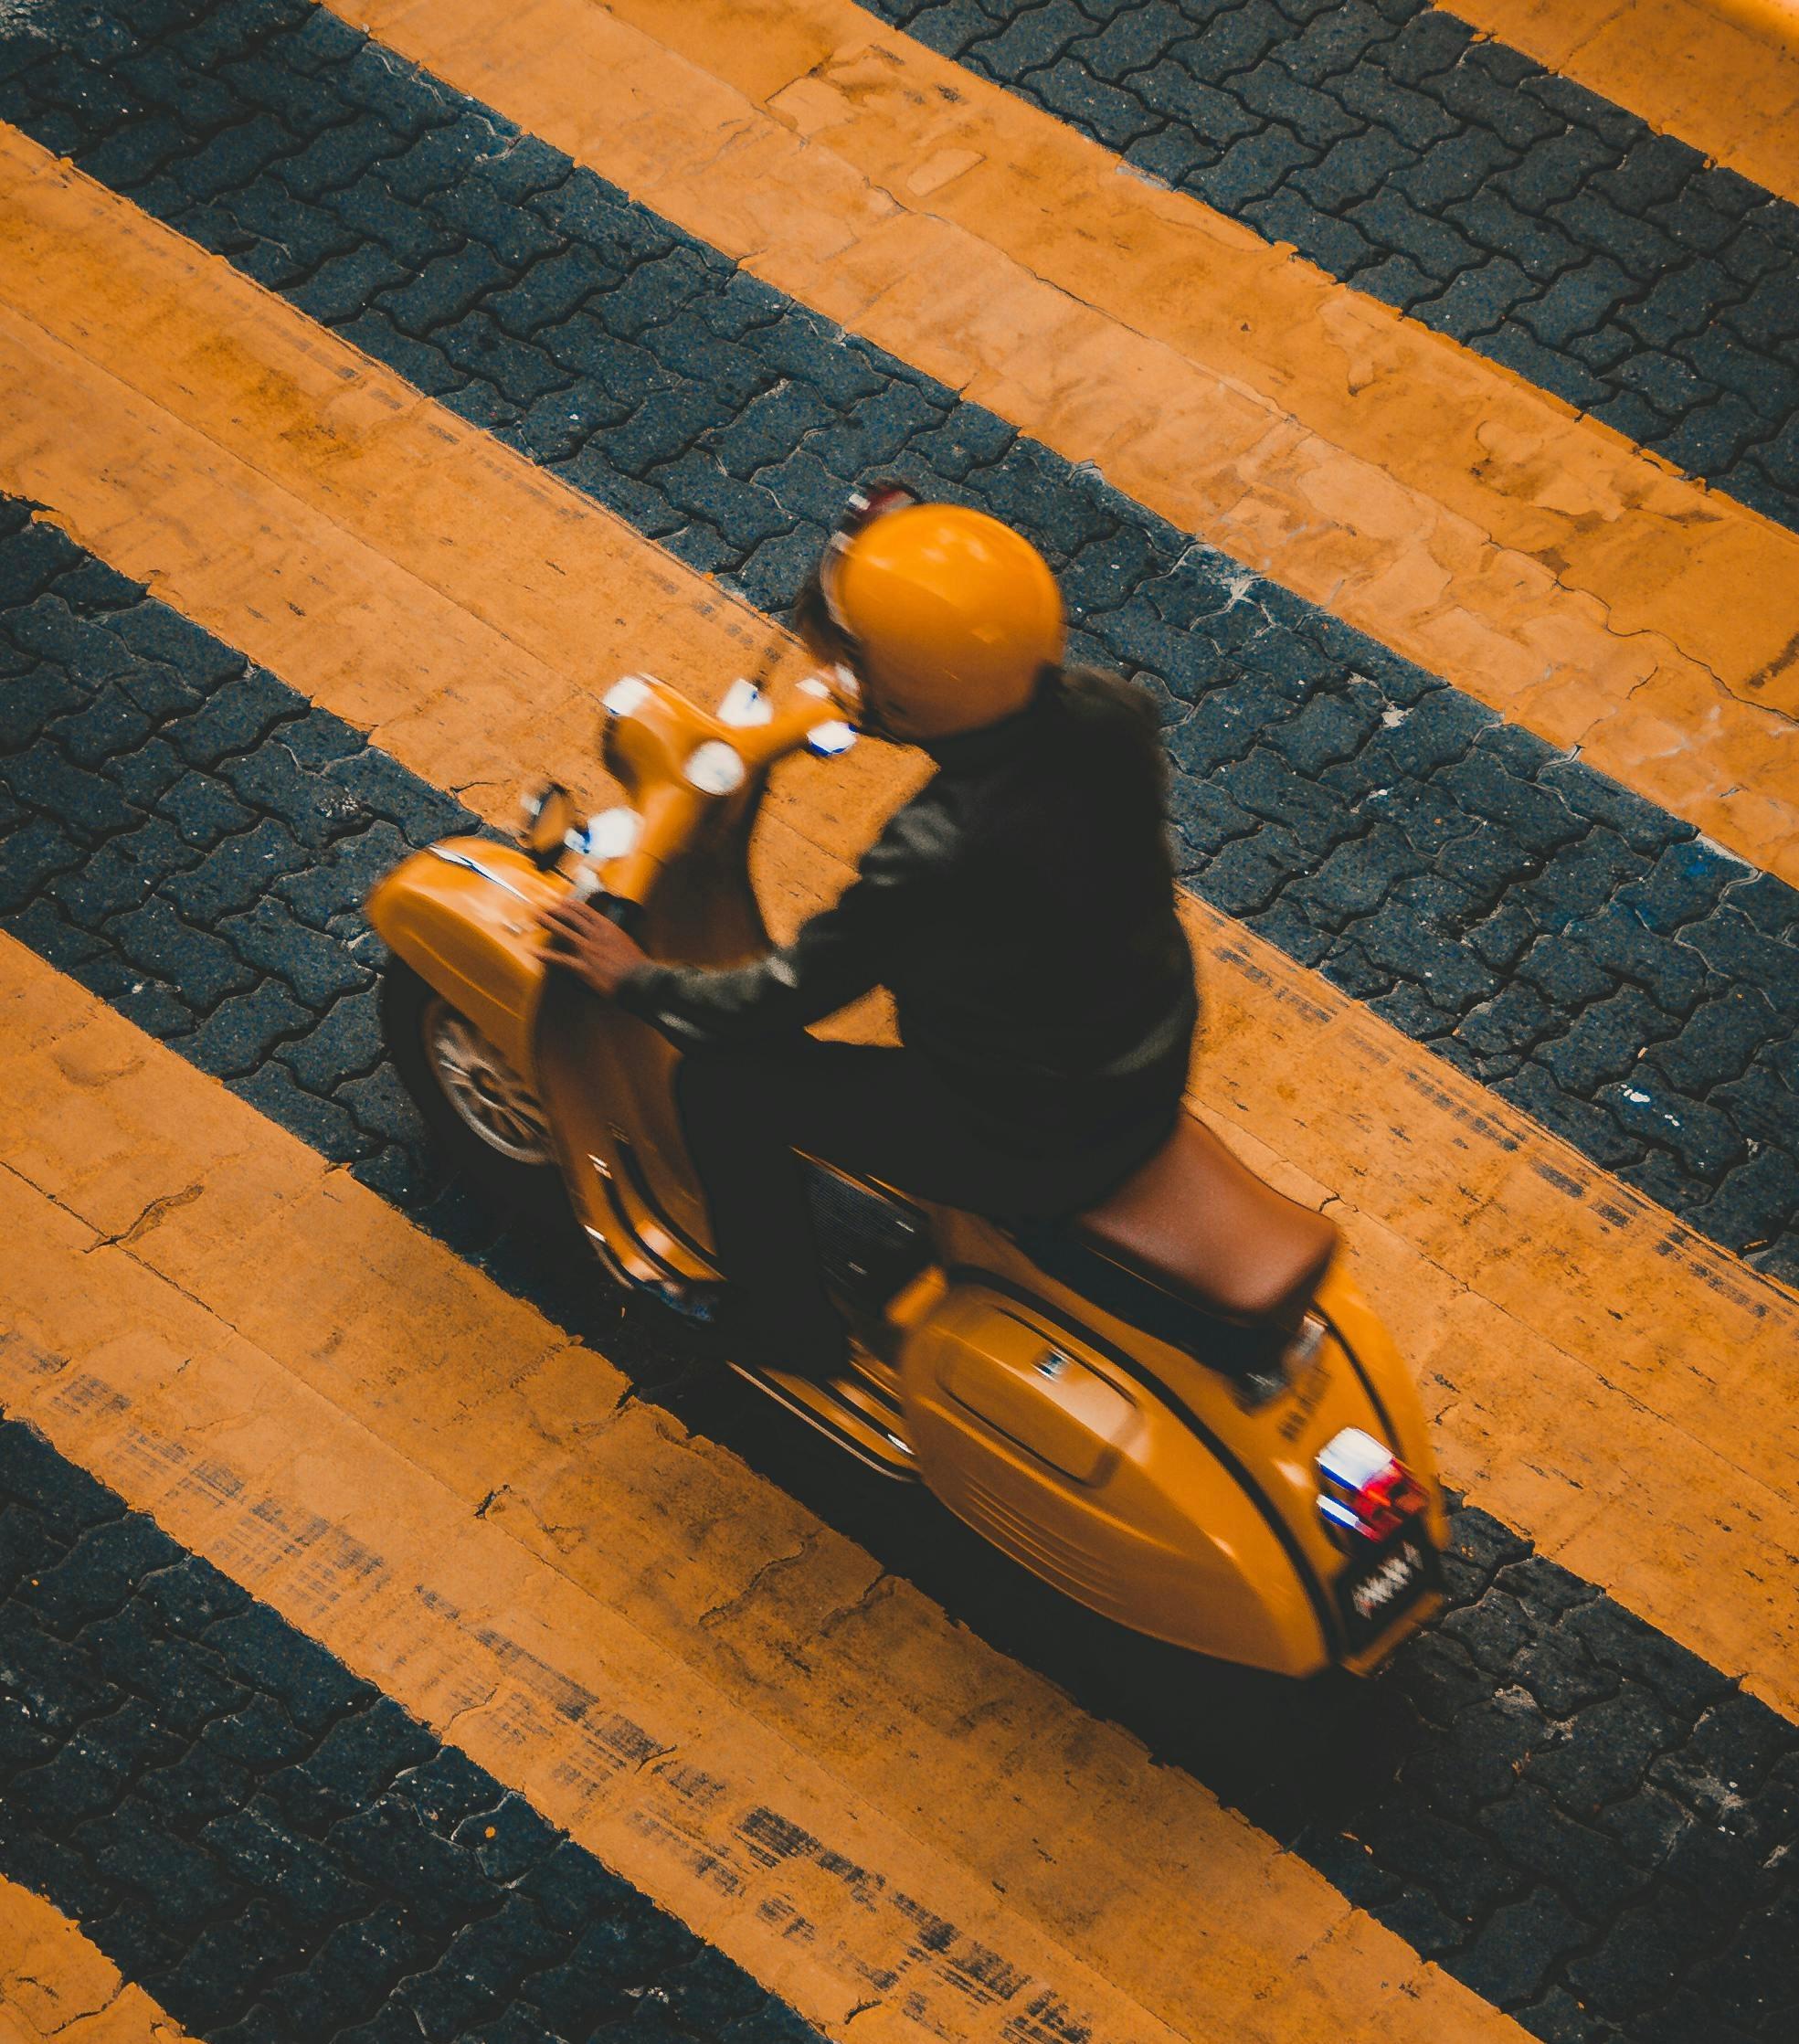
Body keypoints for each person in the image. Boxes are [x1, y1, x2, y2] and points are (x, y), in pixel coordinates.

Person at [539, 484, 1197, 1379]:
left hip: (1031, 1134)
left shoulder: (933, 851)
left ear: (908, 686)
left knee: (723, 1084)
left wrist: (634, 978)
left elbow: (776, 997)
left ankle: (786, 1330)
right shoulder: (1111, 712)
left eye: (860, 664)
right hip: (1137, 1062)